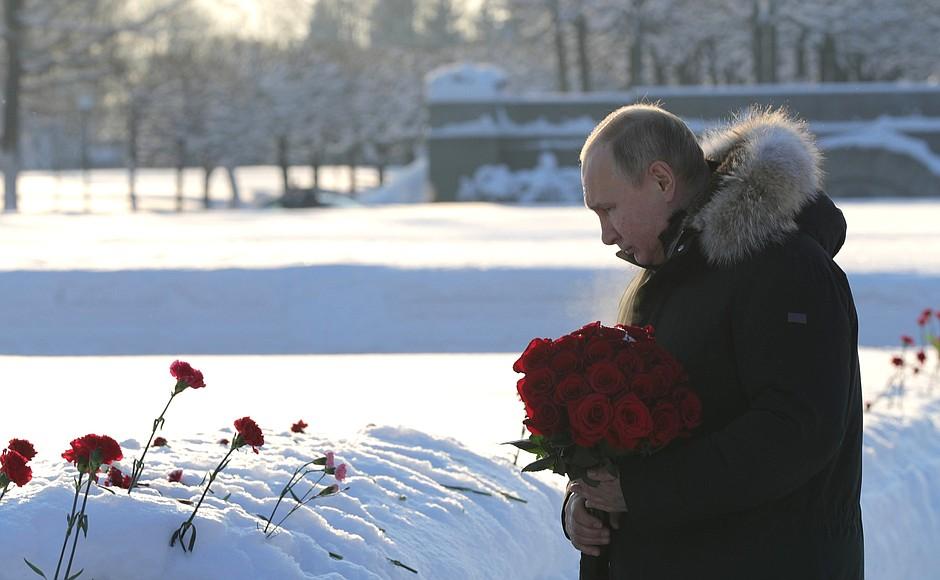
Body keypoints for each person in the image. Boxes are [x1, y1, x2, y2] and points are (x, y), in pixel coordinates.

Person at [563, 104, 864, 579]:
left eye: (609, 209)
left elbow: (795, 431)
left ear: (662, 181)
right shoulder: (671, 271)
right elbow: (641, 421)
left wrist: (643, 493)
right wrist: (587, 505)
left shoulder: (785, 269)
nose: (605, 235)